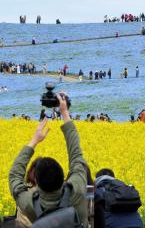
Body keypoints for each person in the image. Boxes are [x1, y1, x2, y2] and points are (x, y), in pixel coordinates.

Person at [9, 93, 88, 226]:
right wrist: (64, 112)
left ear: (36, 183)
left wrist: (34, 140)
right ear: (64, 177)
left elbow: (14, 175)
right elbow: (76, 156)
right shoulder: (77, 190)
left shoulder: (29, 203)